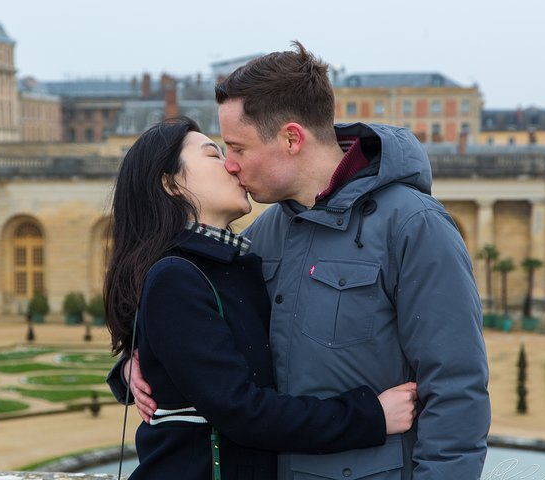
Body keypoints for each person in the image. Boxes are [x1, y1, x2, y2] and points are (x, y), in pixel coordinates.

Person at [128, 43, 491, 479]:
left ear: (292, 138)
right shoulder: (265, 234)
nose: (230, 166)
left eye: (237, 148)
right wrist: (135, 362)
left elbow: (456, 388)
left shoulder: (414, 225)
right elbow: (199, 322)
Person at [104, 116, 417, 480]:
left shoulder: (233, 262)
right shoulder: (177, 275)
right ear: (171, 184)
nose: (232, 165)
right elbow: (242, 411)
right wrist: (371, 416)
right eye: (214, 154)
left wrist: (133, 365)